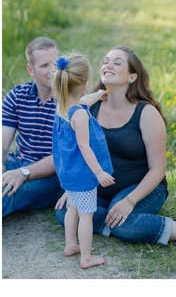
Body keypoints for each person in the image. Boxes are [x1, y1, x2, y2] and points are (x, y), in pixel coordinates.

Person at [54, 45, 176, 250]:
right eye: (106, 61)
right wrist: (75, 188)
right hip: (96, 185)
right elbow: (76, 151)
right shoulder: (89, 106)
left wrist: (130, 200)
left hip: (140, 186)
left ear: (132, 77)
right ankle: (122, 219)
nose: (108, 65)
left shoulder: (146, 113)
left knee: (124, 224)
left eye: (117, 63)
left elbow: (157, 169)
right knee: (65, 212)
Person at [51, 53, 115, 268]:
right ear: (84, 84)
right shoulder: (80, 115)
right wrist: (99, 173)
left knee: (73, 209)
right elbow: (84, 146)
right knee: (86, 216)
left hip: (67, 173)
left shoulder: (63, 106)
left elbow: (84, 101)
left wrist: (98, 94)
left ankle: (71, 245)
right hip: (83, 174)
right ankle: (86, 258)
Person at [2, 37, 62, 217]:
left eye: (55, 64)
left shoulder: (69, 101)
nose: (52, 70)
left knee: (7, 192)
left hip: (52, 175)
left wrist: (23, 173)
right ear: (31, 69)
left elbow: (62, 156)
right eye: (44, 65)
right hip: (19, 160)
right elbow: (2, 145)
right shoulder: (17, 95)